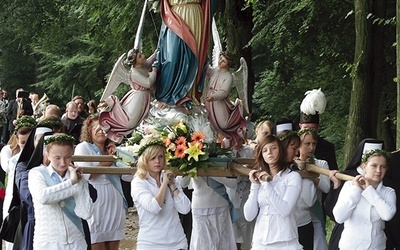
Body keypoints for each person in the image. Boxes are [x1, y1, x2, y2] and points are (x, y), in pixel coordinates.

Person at [28, 133, 94, 249]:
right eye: (57, 158)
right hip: (48, 243)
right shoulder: (37, 173)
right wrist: (71, 183)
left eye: (67, 157)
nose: (63, 163)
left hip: (76, 242)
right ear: (47, 155)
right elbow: (44, 197)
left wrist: (81, 184)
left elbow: (86, 213)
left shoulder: (77, 177)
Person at [74, 114, 128, 250]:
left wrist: (119, 155)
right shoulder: (83, 147)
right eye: (96, 128)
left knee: (113, 243)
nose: (100, 130)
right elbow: (87, 174)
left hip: (114, 199)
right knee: (95, 240)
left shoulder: (113, 150)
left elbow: (128, 176)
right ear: (89, 131)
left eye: (104, 127)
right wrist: (109, 160)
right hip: (95, 201)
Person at [153, 0, 217, 109]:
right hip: (174, 15)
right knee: (171, 58)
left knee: (193, 55)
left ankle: (187, 95)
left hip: (195, 13)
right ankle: (168, 96)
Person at [243, 134, 302, 249]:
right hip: (260, 242)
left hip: (285, 242)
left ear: (281, 151)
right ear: (262, 155)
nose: (269, 152)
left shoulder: (293, 177)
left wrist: (266, 184)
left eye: (273, 148)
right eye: (265, 150)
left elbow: (285, 210)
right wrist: (254, 186)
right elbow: (249, 216)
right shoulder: (260, 178)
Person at [131, 137, 191, 249]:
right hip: (151, 244)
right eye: (152, 158)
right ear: (144, 159)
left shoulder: (169, 178)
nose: (157, 161)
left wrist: (172, 184)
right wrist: (164, 185)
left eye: (160, 156)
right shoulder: (138, 182)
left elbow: (185, 208)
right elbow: (153, 207)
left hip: (177, 243)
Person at [324, 139, 383, 250]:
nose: (377, 170)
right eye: (373, 164)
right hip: (347, 235)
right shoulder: (345, 177)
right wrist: (336, 185)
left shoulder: (384, 183)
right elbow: (331, 210)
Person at [332, 149, 396, 250]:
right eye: (374, 166)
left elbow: (387, 215)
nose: (379, 170)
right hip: (350, 246)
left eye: (382, 166)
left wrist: (369, 191)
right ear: (364, 167)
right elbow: (339, 217)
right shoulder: (349, 186)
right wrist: (356, 190)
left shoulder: (388, 192)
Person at [99, 49, 157, 143]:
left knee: (146, 116)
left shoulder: (141, 66)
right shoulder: (134, 73)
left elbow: (149, 62)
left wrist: (155, 54)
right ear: (135, 61)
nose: (143, 55)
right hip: (138, 99)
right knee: (130, 122)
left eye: (141, 54)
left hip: (143, 97)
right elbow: (148, 83)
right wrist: (155, 70)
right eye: (139, 56)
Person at [0, 116, 36, 250]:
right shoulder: (13, 159)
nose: (26, 146)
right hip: (13, 199)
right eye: (22, 142)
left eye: (29, 141)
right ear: (17, 140)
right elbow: (7, 168)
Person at [278, 129, 316, 250]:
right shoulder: (270, 170)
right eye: (293, 148)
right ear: (283, 148)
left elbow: (309, 201)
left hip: (302, 224)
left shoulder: (296, 170)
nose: (296, 153)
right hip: (278, 229)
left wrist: (305, 174)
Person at [204, 52, 246, 149]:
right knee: (208, 121)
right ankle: (211, 142)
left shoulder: (228, 76)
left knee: (223, 124)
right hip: (209, 99)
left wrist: (213, 97)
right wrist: (204, 57)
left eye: (223, 61)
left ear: (228, 63)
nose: (220, 61)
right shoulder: (216, 70)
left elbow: (224, 92)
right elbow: (208, 71)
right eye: (220, 59)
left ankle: (233, 133)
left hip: (218, 101)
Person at [297, 128, 330, 250]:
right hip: (298, 215)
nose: (311, 147)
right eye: (307, 144)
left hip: (315, 214)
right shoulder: (293, 165)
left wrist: (312, 176)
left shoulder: (321, 164)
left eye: (314, 144)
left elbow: (326, 188)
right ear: (299, 145)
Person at [227, 137, 255, 250]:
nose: (237, 142)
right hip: (231, 199)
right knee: (232, 239)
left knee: (248, 237)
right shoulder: (225, 153)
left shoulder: (249, 151)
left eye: (239, 139)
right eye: (234, 139)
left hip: (246, 199)